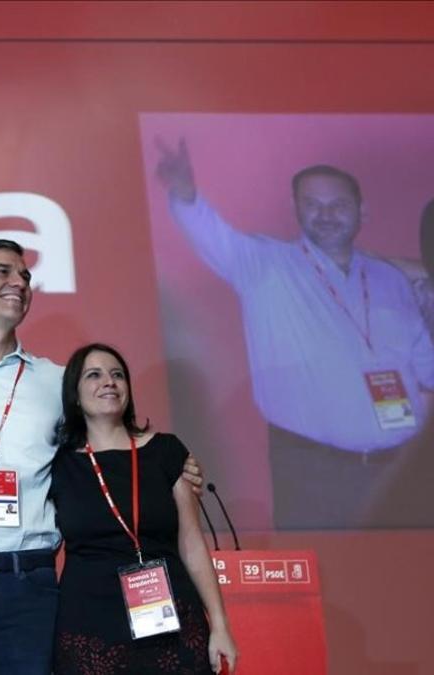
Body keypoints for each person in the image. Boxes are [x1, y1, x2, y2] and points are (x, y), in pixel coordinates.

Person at [0, 239, 205, 674]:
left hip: (26, 582)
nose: (19, 282)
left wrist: (168, 463)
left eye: (25, 276)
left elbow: (106, 438)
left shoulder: (54, 381)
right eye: (3, 272)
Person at [156, 138, 434, 529]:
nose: (325, 215)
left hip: (398, 470)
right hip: (313, 471)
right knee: (330, 578)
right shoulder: (266, 264)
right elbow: (214, 236)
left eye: (337, 205)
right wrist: (186, 194)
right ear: (296, 209)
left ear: (361, 211)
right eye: (312, 204)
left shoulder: (390, 280)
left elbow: (424, 364)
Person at [51, 343, 236, 674]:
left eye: (117, 375)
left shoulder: (165, 451)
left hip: (171, 619)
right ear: (75, 396)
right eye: (94, 375)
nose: (109, 382)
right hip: (89, 624)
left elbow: (192, 544)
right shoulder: (59, 464)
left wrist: (220, 624)